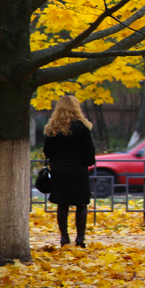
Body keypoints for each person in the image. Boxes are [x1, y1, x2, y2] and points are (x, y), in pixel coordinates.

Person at [43, 95, 97, 247]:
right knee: (81, 204)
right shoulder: (82, 127)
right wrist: (86, 162)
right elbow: (89, 152)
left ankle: (64, 238)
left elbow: (47, 151)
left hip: (59, 171)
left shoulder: (52, 128)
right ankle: (80, 239)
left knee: (62, 204)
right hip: (78, 170)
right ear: (76, 107)